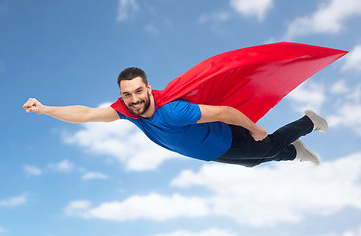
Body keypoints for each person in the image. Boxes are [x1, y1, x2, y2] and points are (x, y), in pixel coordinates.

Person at [23, 67, 328, 167]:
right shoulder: (127, 111)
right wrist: (46, 109)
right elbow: (87, 114)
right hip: (209, 153)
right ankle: (295, 152)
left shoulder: (173, 110)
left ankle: (309, 122)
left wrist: (252, 127)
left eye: (138, 92)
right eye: (127, 94)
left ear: (148, 88)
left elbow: (223, 112)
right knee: (252, 163)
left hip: (224, 138)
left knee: (267, 147)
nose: (134, 100)